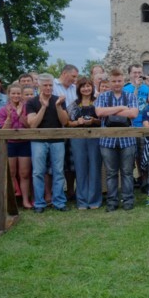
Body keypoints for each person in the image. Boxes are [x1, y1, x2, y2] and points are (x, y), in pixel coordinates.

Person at [95, 68, 139, 212]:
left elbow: (133, 113)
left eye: (119, 81)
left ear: (123, 81)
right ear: (110, 82)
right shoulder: (103, 96)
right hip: (108, 141)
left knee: (127, 172)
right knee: (111, 172)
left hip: (127, 140)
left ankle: (128, 200)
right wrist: (120, 108)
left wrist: (110, 110)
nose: (117, 84)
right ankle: (112, 201)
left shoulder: (130, 96)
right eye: (114, 81)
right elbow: (99, 112)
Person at [25, 73, 69, 213]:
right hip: (38, 141)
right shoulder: (32, 102)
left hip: (57, 141)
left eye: (50, 85)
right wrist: (43, 107)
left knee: (59, 172)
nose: (48, 88)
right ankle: (39, 203)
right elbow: (32, 124)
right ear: (39, 85)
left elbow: (64, 122)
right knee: (38, 172)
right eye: (45, 85)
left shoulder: (59, 100)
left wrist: (57, 107)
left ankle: (59, 202)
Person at [66, 76, 103, 210]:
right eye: (83, 86)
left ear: (92, 88)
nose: (86, 88)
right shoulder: (73, 104)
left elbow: (103, 121)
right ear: (79, 89)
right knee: (80, 169)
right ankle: (81, 200)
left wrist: (93, 121)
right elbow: (67, 122)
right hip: (78, 139)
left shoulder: (98, 102)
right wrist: (78, 122)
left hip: (95, 138)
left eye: (88, 86)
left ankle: (94, 200)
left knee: (94, 168)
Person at [0, 84, 32, 209]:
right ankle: (13, 201)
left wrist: (20, 116)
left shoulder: (27, 108)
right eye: (13, 93)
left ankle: (25, 200)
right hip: (10, 143)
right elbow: (3, 131)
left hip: (24, 143)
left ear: (22, 95)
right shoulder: (3, 109)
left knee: (24, 173)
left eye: (18, 93)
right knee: (11, 173)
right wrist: (9, 118)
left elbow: (30, 126)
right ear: (9, 94)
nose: (16, 96)